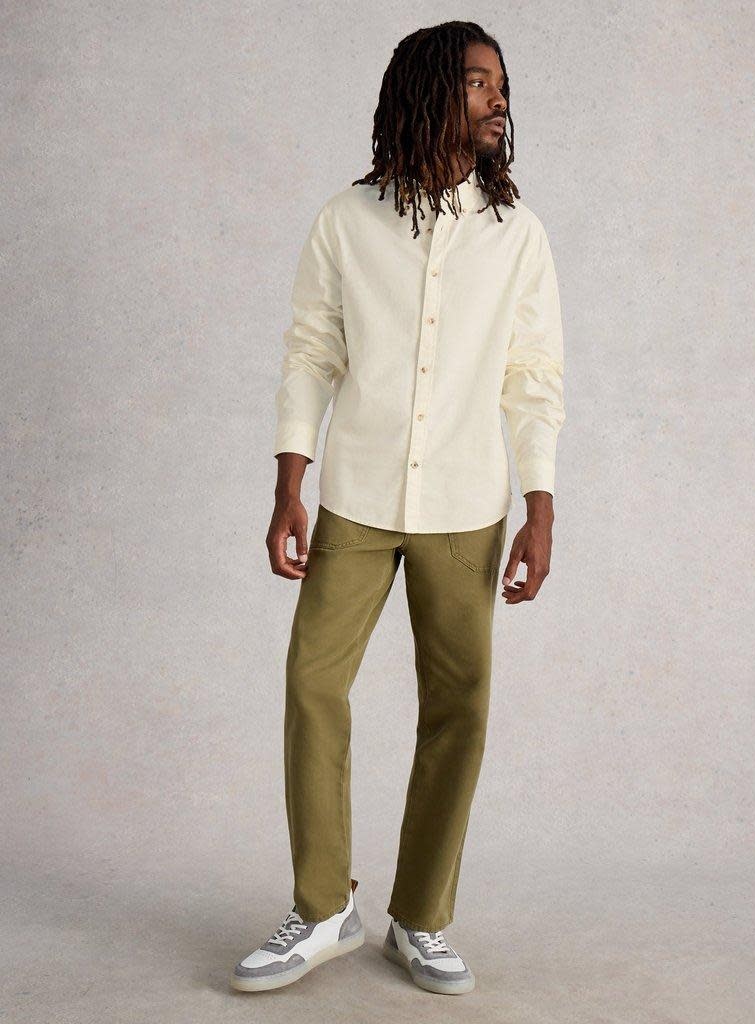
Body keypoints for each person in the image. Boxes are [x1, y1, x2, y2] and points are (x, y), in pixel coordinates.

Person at [230, 19, 565, 997]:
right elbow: (311, 352)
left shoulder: (517, 235)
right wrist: (289, 482)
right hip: (359, 497)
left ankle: (419, 916)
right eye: (477, 82)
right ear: (427, 93)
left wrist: (540, 505)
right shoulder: (347, 221)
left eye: (501, 84)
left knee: (458, 705)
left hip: (468, 503)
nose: (498, 99)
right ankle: (322, 906)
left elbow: (534, 377)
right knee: (312, 682)